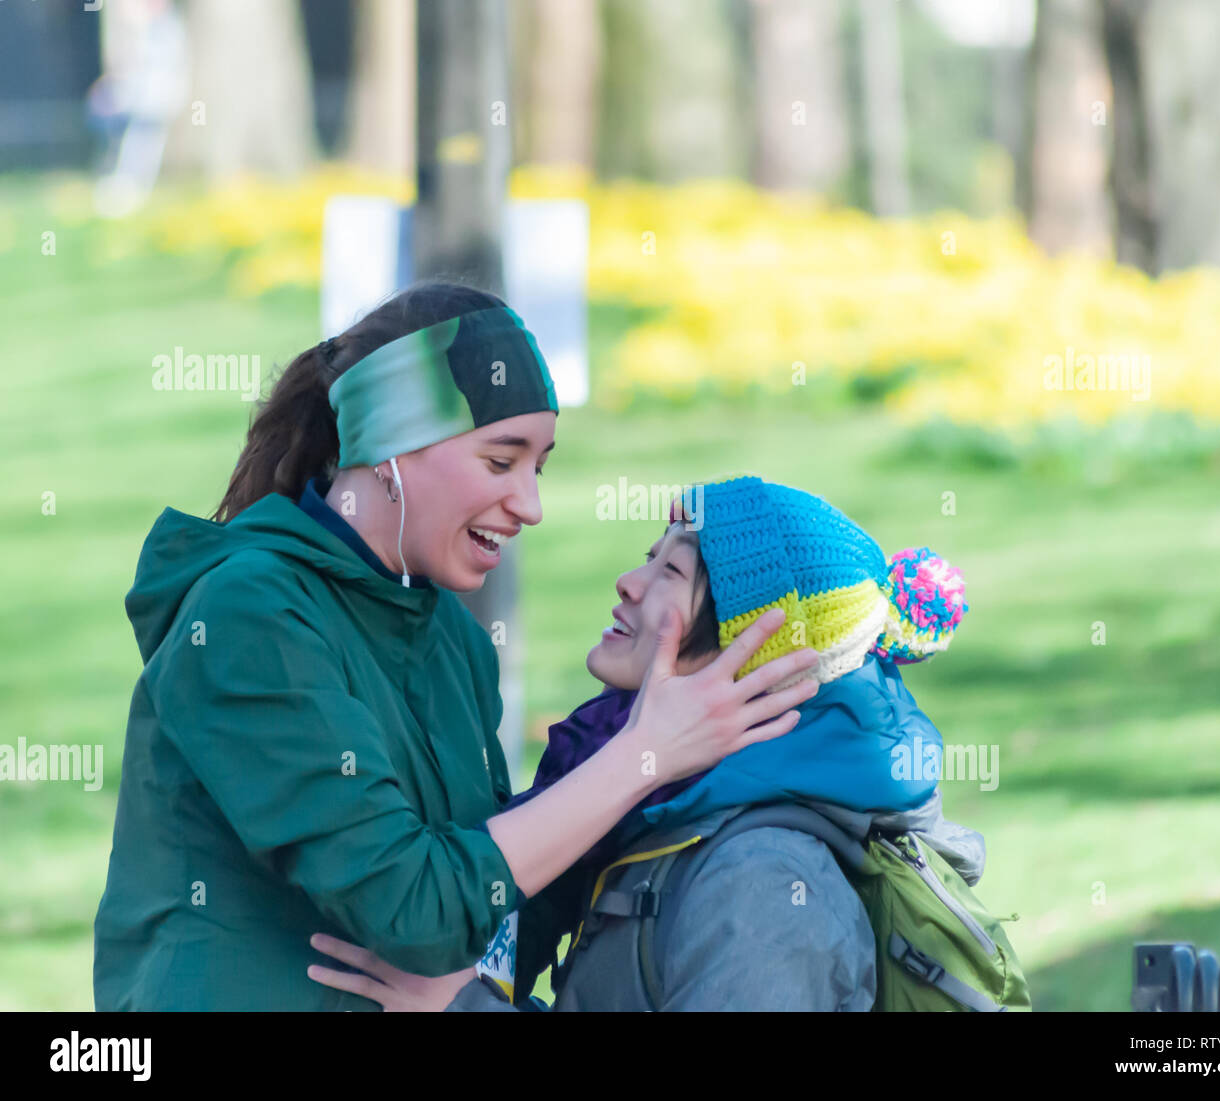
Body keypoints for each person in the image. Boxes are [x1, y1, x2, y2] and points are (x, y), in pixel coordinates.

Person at [92, 284, 819, 1010]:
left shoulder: (454, 641)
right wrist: (641, 755)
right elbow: (413, 911)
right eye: (502, 462)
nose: (530, 505)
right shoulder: (248, 614)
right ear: (389, 450)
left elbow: (488, 927)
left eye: (541, 467)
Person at [306, 475, 984, 1012]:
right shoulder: (654, 801)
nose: (628, 583)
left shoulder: (766, 885)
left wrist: (461, 1007)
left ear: (754, 655)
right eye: (647, 558)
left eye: (672, 573)